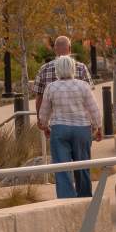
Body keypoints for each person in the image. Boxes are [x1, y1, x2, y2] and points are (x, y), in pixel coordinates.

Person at [38, 55, 102, 198]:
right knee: (83, 165)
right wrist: (99, 127)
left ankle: (66, 199)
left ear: (57, 70)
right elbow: (94, 109)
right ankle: (84, 197)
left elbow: (44, 112)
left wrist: (45, 126)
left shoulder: (51, 87)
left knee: (62, 167)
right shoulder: (83, 85)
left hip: (59, 129)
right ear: (73, 68)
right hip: (82, 129)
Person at [32, 36, 93, 130]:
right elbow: (89, 97)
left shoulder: (44, 69)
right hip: (81, 123)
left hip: (56, 124)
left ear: (54, 50)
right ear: (70, 49)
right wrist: (93, 121)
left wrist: (40, 120)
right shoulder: (81, 67)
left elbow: (39, 97)